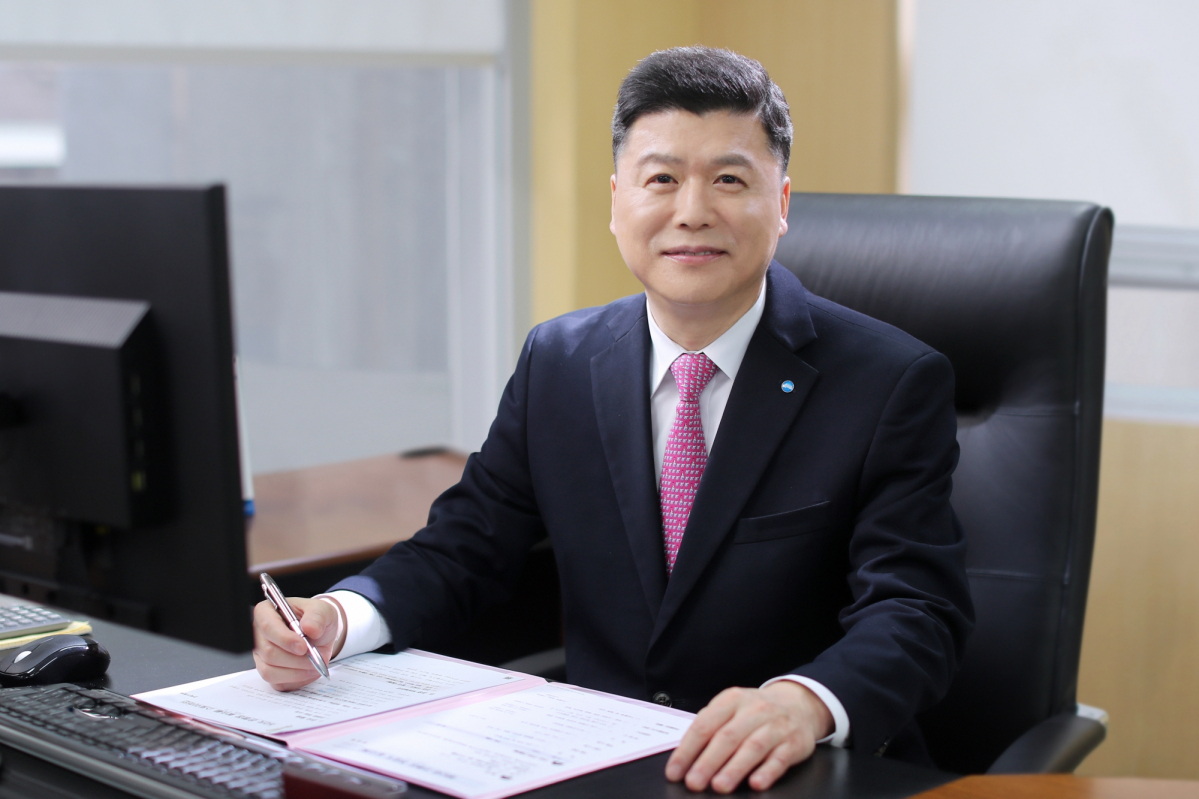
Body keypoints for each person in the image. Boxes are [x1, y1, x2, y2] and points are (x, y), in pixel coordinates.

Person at [253, 46, 973, 793]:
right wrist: (342, 616)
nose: (692, 211)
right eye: (661, 178)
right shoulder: (559, 361)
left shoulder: (889, 381)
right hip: (602, 766)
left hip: (796, 771)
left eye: (729, 179)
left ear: (782, 202)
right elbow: (464, 547)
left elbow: (917, 609)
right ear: (616, 200)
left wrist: (804, 703)